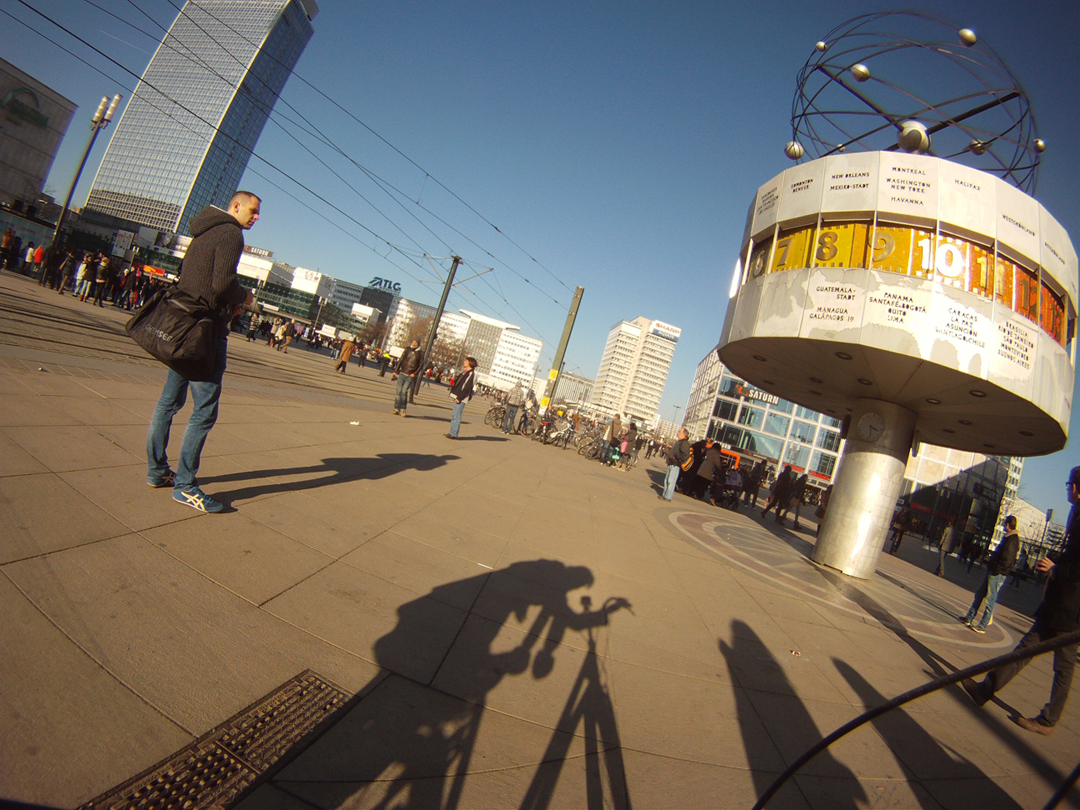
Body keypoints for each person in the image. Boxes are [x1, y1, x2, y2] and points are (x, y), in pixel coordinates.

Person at [146, 191, 260, 513]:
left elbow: (196, 279)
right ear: (235, 206)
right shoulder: (231, 233)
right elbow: (223, 283)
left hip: (184, 328)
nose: (255, 217)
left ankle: (157, 471)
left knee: (169, 402)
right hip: (206, 334)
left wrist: (225, 302)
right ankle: (185, 486)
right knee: (205, 410)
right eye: (252, 211)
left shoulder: (204, 229)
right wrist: (245, 298)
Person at [961, 467, 1080, 736]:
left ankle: (1047, 721)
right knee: (1026, 650)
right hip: (1058, 607)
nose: (1067, 489)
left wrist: (1055, 569)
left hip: (1069, 611)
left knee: (1063, 668)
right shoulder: (1077, 514)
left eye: (1068, 485)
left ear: (1075, 487)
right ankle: (985, 689)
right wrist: (1054, 561)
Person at [961, 515, 1019, 633]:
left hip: (997, 573)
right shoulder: (1009, 537)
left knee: (990, 599)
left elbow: (1007, 560)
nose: (1004, 525)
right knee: (980, 594)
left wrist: (996, 567)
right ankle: (969, 617)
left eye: (1005, 523)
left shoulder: (1012, 539)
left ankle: (983, 625)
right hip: (994, 570)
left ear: (1008, 525)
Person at [445, 357, 478, 439]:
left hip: (461, 397)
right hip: (458, 395)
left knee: (456, 415)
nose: (464, 362)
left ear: (470, 363)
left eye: (466, 361)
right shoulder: (465, 372)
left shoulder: (471, 373)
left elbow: (467, 387)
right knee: (454, 415)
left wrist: (459, 397)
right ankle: (452, 432)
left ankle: (454, 433)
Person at [393, 340, 423, 416]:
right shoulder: (407, 349)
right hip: (402, 373)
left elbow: (420, 366)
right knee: (398, 391)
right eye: (413, 342)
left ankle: (403, 409)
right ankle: (396, 409)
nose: (414, 343)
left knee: (404, 391)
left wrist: (414, 374)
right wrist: (396, 370)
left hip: (410, 375)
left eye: (416, 342)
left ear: (418, 344)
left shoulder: (420, 353)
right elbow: (401, 360)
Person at [661, 428, 691, 501]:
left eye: (679, 431)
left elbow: (685, 455)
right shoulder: (679, 441)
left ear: (684, 434)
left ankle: (668, 497)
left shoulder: (684, 443)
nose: (678, 432)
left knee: (671, 481)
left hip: (676, 464)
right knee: (667, 480)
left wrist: (676, 458)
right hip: (671, 463)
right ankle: (665, 495)